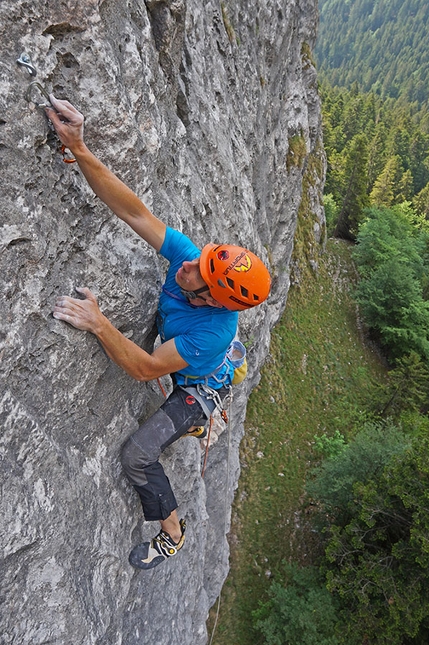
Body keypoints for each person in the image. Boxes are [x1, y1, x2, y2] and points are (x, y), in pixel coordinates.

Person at [48, 95, 271, 570]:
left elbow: (145, 369)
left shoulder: (211, 332)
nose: (186, 264)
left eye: (199, 273)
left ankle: (173, 534)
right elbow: (134, 213)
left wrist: (98, 322)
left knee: (137, 456)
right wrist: (80, 148)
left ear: (214, 299)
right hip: (194, 358)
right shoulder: (193, 265)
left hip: (197, 387)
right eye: (199, 257)